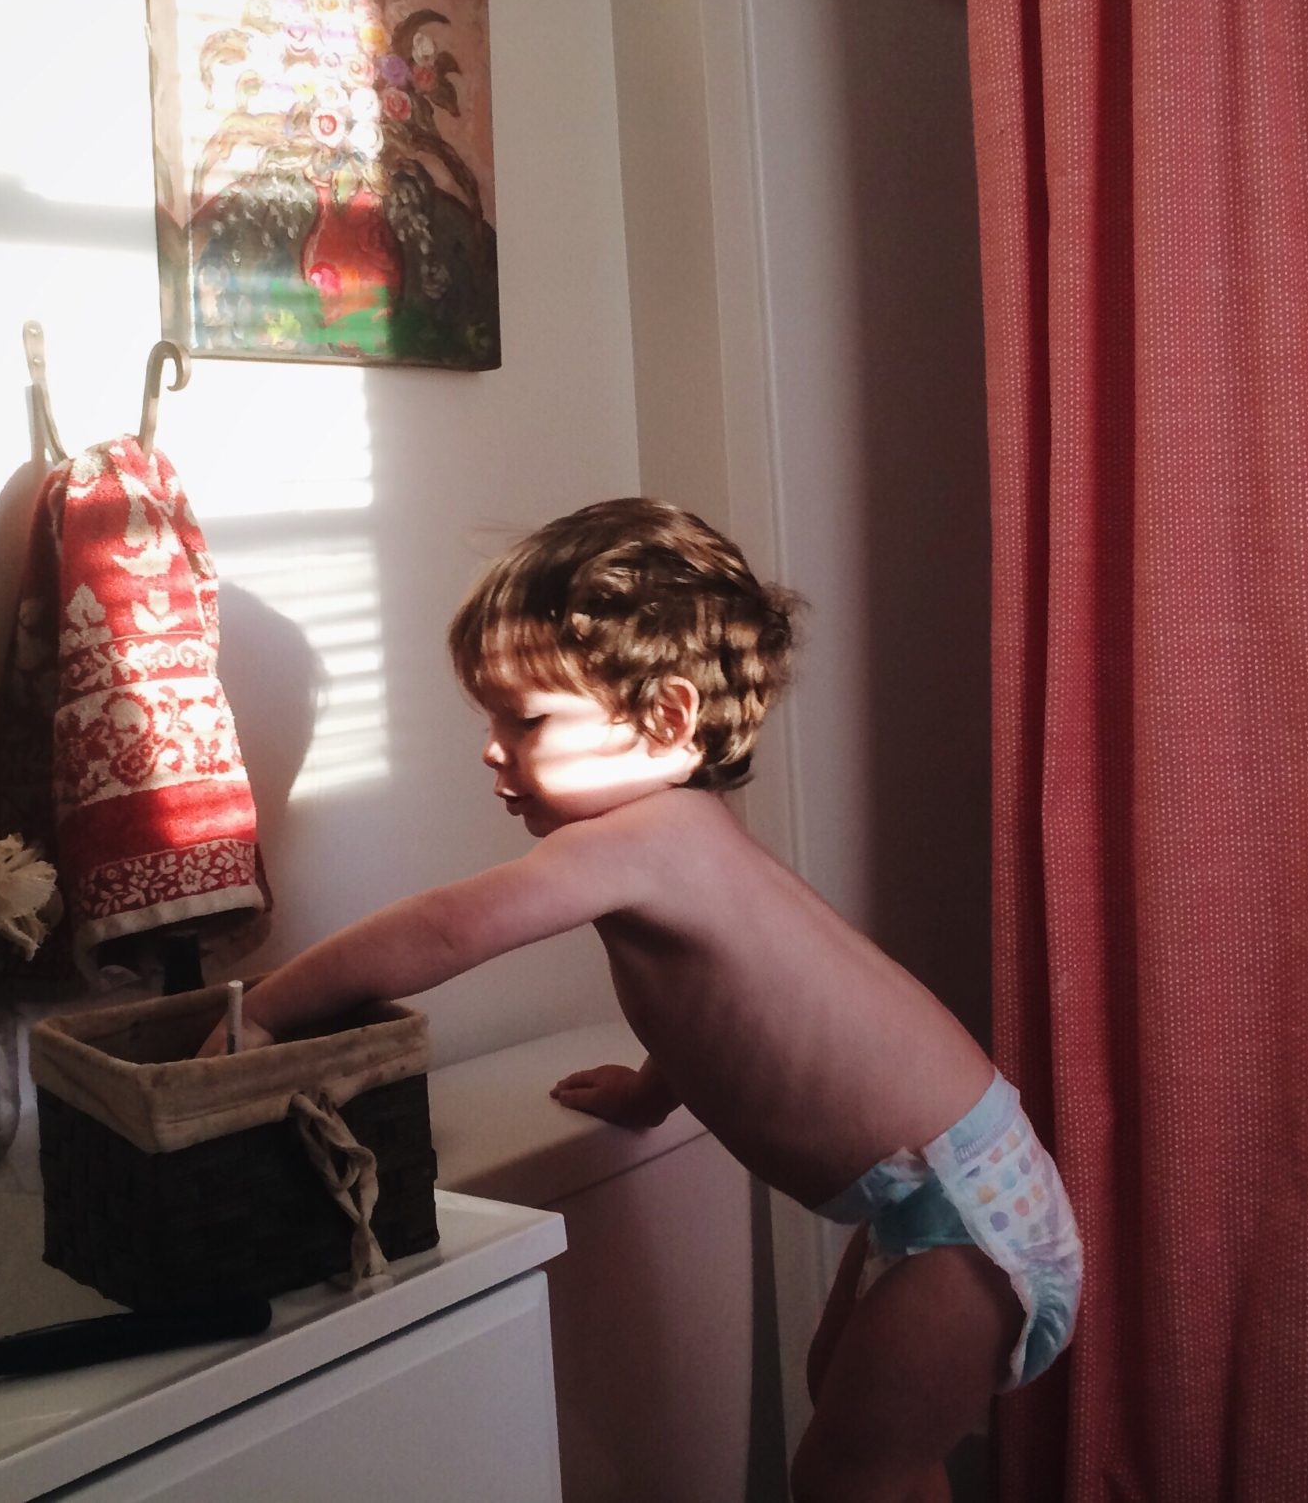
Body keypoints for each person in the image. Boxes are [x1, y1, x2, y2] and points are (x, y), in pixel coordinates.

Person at [202, 498, 1081, 1503]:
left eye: (524, 718)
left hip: (964, 1210)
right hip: (947, 1193)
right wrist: (651, 1094)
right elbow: (744, 1018)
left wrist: (265, 1008)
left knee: (852, 1470)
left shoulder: (642, 843)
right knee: (856, 1437)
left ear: (666, 718)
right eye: (487, 717)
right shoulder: (682, 838)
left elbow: (447, 930)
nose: (492, 748)